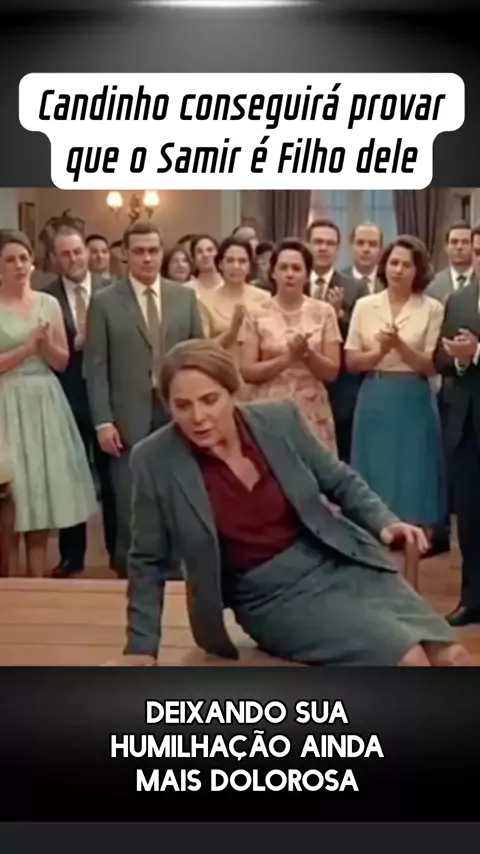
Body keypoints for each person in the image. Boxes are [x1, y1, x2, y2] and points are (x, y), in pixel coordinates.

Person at [107, 339, 469, 667]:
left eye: (210, 400)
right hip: (268, 595)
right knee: (408, 659)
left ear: (232, 392)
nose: (198, 417)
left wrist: (384, 522)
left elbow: (338, 479)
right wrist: (140, 648)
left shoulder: (278, 419)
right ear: (167, 406)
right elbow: (147, 559)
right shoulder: (155, 459)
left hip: (338, 560)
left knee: (450, 655)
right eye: (182, 406)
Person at [84, 220, 204, 576]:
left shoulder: (184, 297)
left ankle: (175, 569)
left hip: (177, 411)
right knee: (130, 499)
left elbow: (198, 356)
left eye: (153, 251)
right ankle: (130, 570)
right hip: (126, 416)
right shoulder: (104, 302)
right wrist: (103, 421)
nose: (147, 258)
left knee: (178, 491)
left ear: (162, 251)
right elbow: (96, 367)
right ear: (125, 254)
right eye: (139, 251)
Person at [0, 229, 97, 577]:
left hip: (44, 401)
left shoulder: (48, 303)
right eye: (10, 259)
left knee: (40, 492)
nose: (19, 265)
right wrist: (27, 349)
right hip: (6, 401)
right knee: (10, 497)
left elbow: (62, 361)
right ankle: (7, 583)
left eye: (24, 258)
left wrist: (45, 346)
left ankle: (37, 581)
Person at [345, 236, 446, 533]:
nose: (398, 270)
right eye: (394, 263)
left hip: (413, 398)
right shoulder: (365, 306)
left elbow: (431, 365)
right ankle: (373, 544)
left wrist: (399, 345)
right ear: (384, 265)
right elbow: (351, 362)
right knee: (374, 475)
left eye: (406, 265)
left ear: (418, 270)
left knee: (414, 477)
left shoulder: (432, 308)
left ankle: (415, 546)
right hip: (375, 396)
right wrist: (379, 351)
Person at [44, 226, 116, 577]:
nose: (73, 259)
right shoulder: (46, 298)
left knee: (112, 478)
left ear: (86, 252)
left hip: (109, 398)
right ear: (55, 259)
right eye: (65, 254)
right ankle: (72, 556)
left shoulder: (113, 291)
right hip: (66, 398)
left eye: (77, 251)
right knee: (71, 478)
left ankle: (118, 551)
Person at [240, 238, 341, 454]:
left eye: (296, 268)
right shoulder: (255, 313)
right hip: (269, 409)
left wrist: (307, 354)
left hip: (312, 410)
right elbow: (247, 371)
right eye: (283, 268)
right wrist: (286, 358)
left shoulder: (324, 312)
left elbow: (332, 371)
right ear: (273, 272)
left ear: (306, 274)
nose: (290, 274)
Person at [434, 276, 480, 627]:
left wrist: (477, 352)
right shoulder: (459, 299)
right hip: (466, 424)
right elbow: (439, 358)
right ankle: (473, 599)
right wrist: (461, 360)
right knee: (468, 518)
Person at [306, 218, 368, 463]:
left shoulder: (356, 287)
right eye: (318, 242)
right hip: (299, 383)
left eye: (330, 243)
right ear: (308, 244)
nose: (323, 248)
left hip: (340, 389)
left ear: (338, 248)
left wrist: (338, 315)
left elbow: (362, 334)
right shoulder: (292, 280)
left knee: (339, 459)